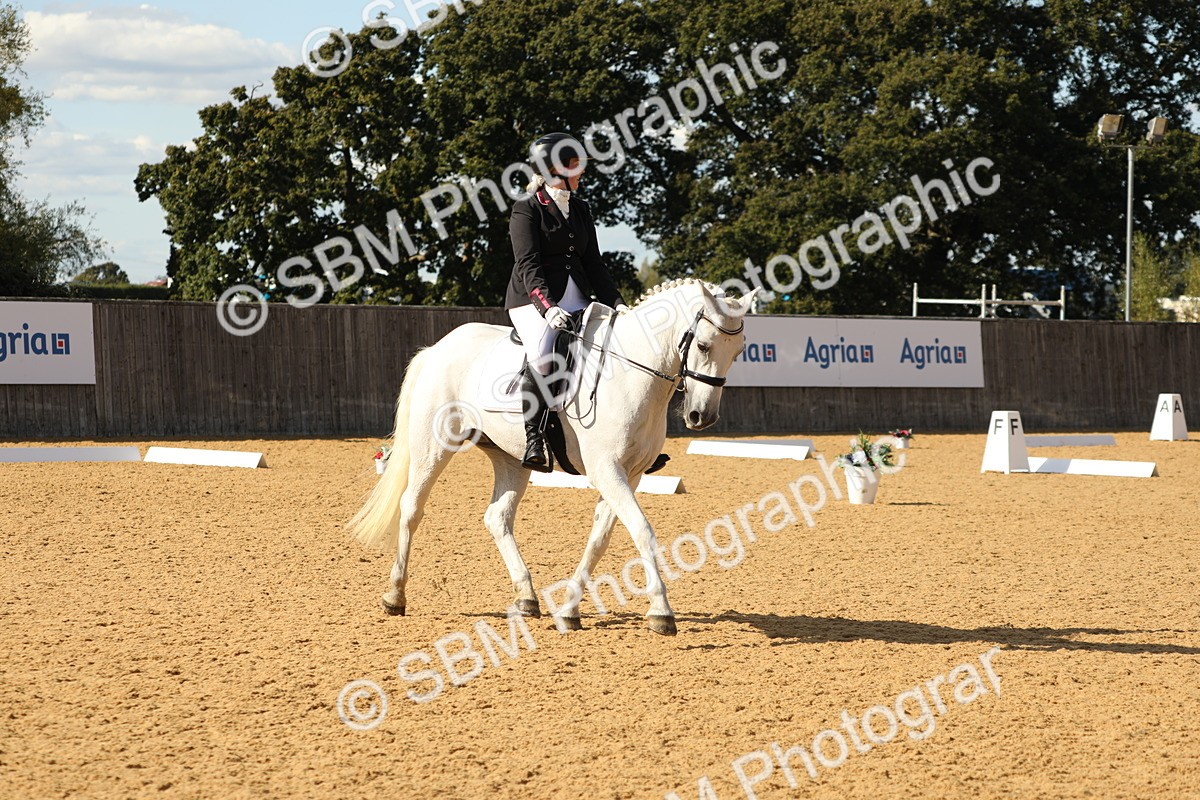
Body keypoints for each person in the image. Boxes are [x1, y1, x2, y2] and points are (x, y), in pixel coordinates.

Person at [506, 132, 629, 472]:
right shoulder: (527, 209)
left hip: (579, 296)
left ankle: (628, 438)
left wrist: (617, 304)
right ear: (554, 170)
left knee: (614, 345)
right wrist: (548, 308)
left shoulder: (580, 208)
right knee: (544, 353)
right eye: (576, 166)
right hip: (533, 300)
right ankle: (535, 440)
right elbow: (527, 265)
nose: (582, 172)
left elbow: (594, 264)